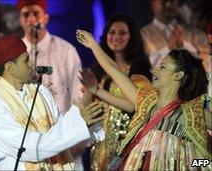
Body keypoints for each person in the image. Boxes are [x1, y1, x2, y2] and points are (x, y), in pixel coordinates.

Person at [76, 29, 212, 170]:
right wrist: (93, 45)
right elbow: (113, 69)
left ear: (178, 75)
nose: (154, 71)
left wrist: (189, 163)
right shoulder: (146, 101)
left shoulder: (192, 113)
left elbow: (207, 162)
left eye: (163, 67)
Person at [0, 34, 106, 170]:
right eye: (26, 60)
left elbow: (58, 126)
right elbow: (31, 147)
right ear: (10, 68)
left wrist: (87, 120)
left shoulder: (39, 90)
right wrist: (78, 122)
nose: (32, 63)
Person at [80, 14, 152, 171]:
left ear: (132, 37)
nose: (116, 37)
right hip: (101, 148)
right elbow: (85, 110)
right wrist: (88, 90)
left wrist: (96, 90)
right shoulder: (98, 72)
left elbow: (133, 106)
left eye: (122, 33)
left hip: (128, 146)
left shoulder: (139, 72)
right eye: (111, 32)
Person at [18, 0, 83, 114]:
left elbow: (77, 93)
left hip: (61, 126)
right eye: (26, 15)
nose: (31, 19)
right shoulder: (14, 52)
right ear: (20, 21)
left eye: (36, 13)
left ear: (46, 17)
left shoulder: (66, 50)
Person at [141, 0, 209, 68]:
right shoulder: (142, 36)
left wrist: (184, 45)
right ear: (152, 4)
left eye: (172, 1)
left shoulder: (195, 34)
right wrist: (169, 48)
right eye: (163, 2)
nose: (168, 5)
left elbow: (207, 63)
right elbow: (143, 67)